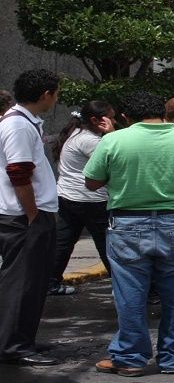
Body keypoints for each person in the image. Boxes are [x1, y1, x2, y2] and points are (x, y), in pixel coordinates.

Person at [85, 90, 174, 376]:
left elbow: (92, 182)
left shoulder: (113, 140)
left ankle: (130, 358)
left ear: (126, 117)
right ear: (164, 112)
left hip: (128, 224)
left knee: (130, 294)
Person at [0, 69, 61, 367]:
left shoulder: (25, 122)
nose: (56, 98)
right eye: (56, 92)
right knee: (21, 282)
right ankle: (14, 345)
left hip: (31, 214)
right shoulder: (18, 126)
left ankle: (22, 338)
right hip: (23, 218)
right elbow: (19, 173)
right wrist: (33, 214)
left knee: (34, 282)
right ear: (45, 95)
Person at [48, 101, 115, 296]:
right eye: (110, 118)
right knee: (107, 243)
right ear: (95, 120)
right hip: (91, 200)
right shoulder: (91, 141)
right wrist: (112, 135)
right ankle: (122, 285)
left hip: (68, 197)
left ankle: (50, 282)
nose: (113, 121)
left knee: (64, 241)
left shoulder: (76, 135)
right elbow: (116, 158)